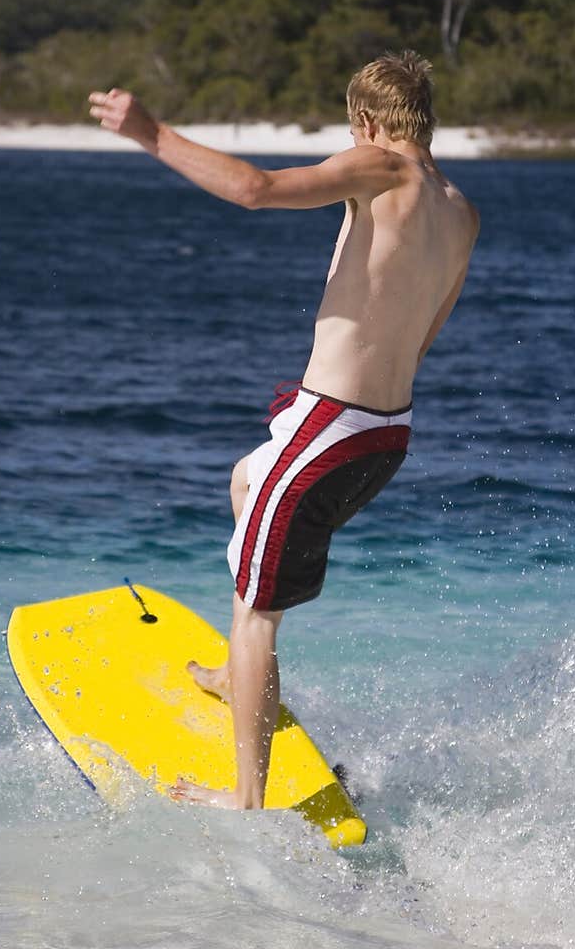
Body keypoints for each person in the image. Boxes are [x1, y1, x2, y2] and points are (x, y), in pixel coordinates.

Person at [87, 51, 479, 812]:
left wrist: (149, 132)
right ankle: (238, 678)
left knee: (254, 610)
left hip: (333, 429)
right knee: (245, 478)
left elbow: (254, 190)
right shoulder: (460, 210)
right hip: (385, 433)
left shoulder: (381, 169)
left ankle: (245, 800)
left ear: (366, 121)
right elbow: (424, 334)